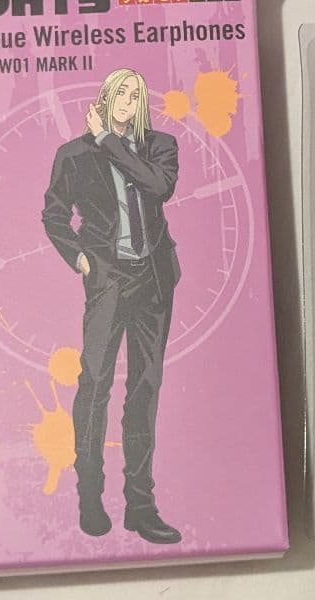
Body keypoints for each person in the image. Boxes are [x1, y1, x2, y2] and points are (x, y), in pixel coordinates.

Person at [42, 68, 183, 543]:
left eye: (134, 94)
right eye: (119, 92)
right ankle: (89, 496)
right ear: (104, 98)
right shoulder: (74, 154)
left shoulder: (160, 147)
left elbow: (158, 187)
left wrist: (109, 141)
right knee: (95, 383)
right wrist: (79, 258)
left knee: (145, 389)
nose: (127, 99)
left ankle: (141, 507)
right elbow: (53, 214)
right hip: (107, 280)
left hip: (154, 281)